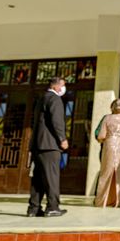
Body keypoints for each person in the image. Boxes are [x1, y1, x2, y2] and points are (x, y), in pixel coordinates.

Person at [27, 77, 68, 217]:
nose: (64, 89)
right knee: (52, 177)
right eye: (63, 85)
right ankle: (52, 207)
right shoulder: (55, 99)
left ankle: (34, 208)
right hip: (50, 145)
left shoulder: (42, 98)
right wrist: (62, 138)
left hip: (38, 145)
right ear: (56, 86)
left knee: (37, 178)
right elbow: (57, 121)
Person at [94, 98, 120, 208]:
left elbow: (101, 135)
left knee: (106, 172)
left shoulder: (107, 118)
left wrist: (103, 140)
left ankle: (102, 200)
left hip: (110, 145)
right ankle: (117, 201)